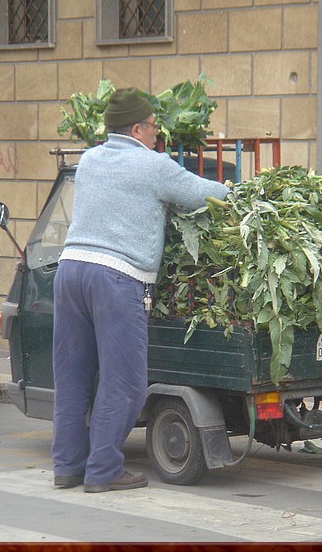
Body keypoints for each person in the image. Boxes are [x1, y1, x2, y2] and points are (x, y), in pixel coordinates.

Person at [51, 87, 229, 493]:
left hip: (71, 270)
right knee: (125, 381)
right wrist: (242, 193)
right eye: (152, 127)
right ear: (135, 128)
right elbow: (205, 194)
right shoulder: (153, 165)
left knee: (73, 376)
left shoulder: (90, 159)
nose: (156, 135)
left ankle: (67, 468)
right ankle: (103, 471)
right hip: (115, 277)